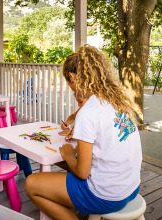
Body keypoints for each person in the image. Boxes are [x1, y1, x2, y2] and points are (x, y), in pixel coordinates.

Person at [24, 45, 142, 219]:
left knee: (31, 184)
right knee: (63, 165)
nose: (71, 88)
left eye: (69, 82)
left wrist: (68, 153)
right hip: (131, 186)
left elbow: (82, 173)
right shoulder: (117, 100)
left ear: (73, 77)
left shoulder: (89, 111)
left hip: (106, 195)